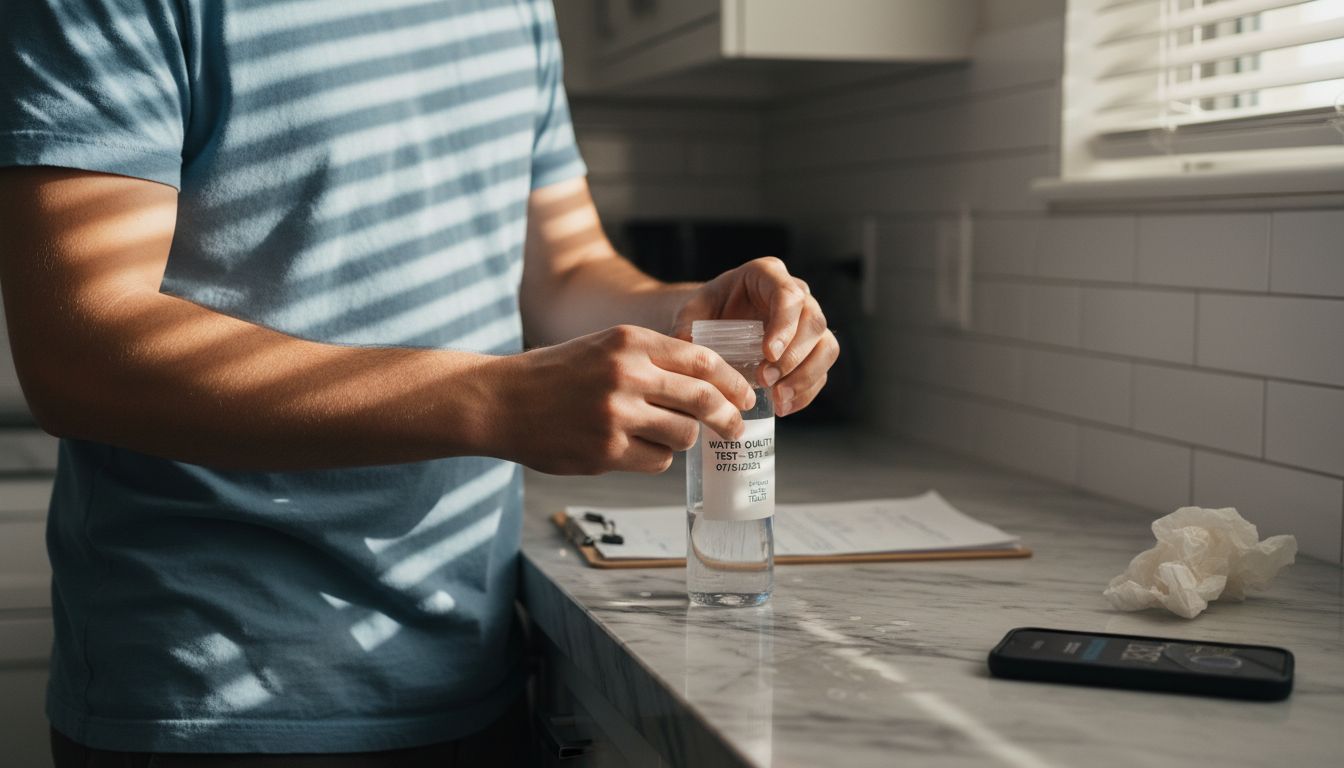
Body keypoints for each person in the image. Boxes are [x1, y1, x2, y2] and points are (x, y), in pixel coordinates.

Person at [0, 1, 838, 765]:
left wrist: (689, 314)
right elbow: (80, 350)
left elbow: (565, 271)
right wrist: (498, 400)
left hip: (468, 663)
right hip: (215, 693)